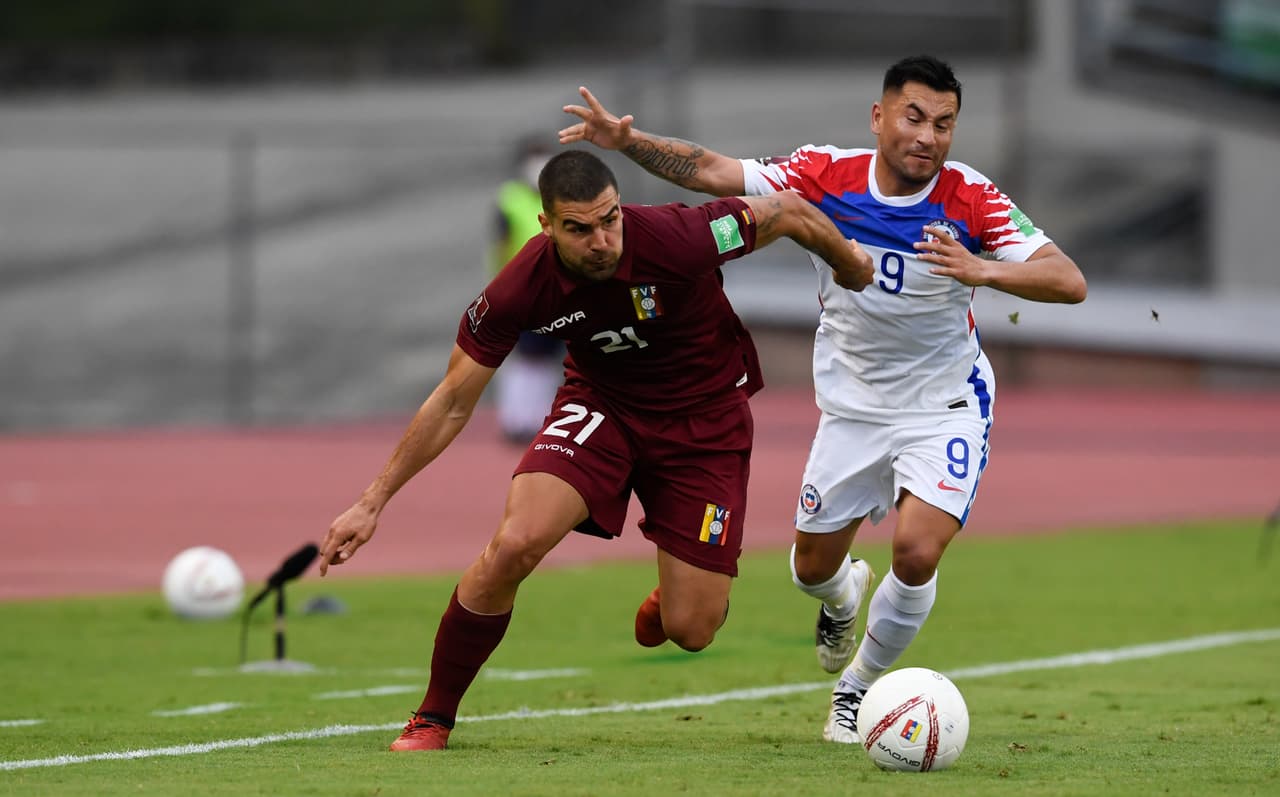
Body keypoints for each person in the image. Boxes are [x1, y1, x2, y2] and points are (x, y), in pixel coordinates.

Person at [560, 54, 1087, 745]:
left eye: (945, 124)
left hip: (944, 403)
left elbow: (1068, 279)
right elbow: (720, 173)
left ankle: (857, 689)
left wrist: (982, 268)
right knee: (811, 568)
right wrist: (627, 142)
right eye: (914, 117)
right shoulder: (825, 173)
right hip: (853, 409)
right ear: (879, 117)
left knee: (918, 551)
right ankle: (842, 595)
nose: (928, 136)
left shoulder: (971, 198)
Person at [317, 149, 874, 752]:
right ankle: (433, 717)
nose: (602, 240)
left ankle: (678, 588)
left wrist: (850, 265)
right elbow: (453, 400)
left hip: (705, 424)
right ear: (547, 226)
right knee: (514, 545)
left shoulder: (678, 236)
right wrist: (371, 502)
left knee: (692, 629)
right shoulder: (521, 287)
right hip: (603, 409)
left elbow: (788, 210)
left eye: (609, 220)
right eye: (579, 229)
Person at [489, 135, 566, 443]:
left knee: (549, 357)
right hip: (522, 289)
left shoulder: (559, 198)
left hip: (559, 289)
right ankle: (516, 419)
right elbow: (501, 245)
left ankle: (540, 418)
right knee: (526, 356)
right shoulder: (510, 198)